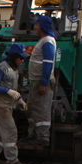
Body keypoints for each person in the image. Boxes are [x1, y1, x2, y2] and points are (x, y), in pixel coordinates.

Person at [0, 43, 29, 164]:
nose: (22, 61)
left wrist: (19, 99)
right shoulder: (2, 68)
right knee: (10, 132)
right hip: (1, 106)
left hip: (8, 105)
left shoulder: (14, 69)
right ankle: (12, 160)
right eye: (20, 58)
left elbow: (13, 88)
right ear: (14, 57)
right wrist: (7, 91)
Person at [27, 15, 57, 147]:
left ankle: (43, 137)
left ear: (43, 26)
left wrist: (44, 83)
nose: (35, 26)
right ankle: (33, 135)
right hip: (36, 81)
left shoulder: (47, 41)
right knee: (33, 108)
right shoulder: (43, 40)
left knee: (42, 109)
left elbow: (48, 63)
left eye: (37, 24)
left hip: (41, 81)